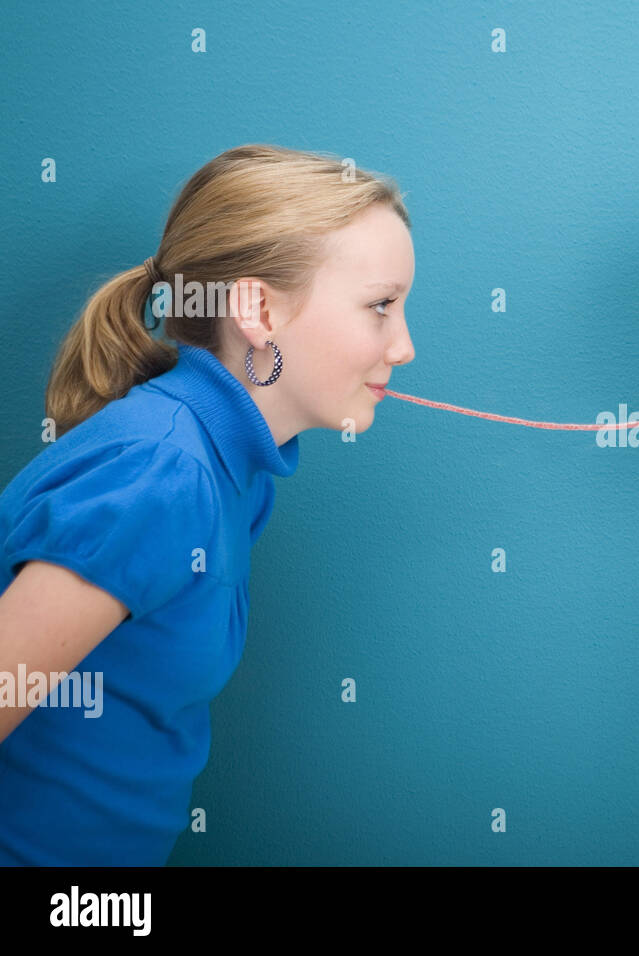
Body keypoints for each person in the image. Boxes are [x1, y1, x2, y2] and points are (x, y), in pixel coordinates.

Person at [0, 144, 416, 864]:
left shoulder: (234, 472)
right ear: (257, 310)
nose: (403, 346)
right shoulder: (163, 473)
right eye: (380, 307)